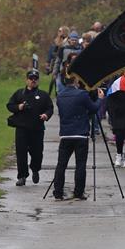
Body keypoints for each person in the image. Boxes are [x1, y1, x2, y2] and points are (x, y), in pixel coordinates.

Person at [53, 70, 104, 200]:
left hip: (65, 134)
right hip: (80, 134)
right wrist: (100, 99)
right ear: (76, 81)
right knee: (80, 165)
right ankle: (78, 192)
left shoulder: (60, 96)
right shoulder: (82, 94)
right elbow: (93, 108)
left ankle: (58, 192)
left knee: (61, 165)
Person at [6, 70, 54, 186]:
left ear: (38, 80)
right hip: (22, 129)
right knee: (21, 153)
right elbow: (10, 106)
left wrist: (46, 115)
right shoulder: (19, 94)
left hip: (37, 129)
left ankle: (35, 169)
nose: (33, 81)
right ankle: (22, 176)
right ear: (27, 80)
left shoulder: (43, 95)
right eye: (31, 78)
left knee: (37, 153)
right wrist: (19, 106)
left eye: (35, 79)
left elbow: (50, 108)